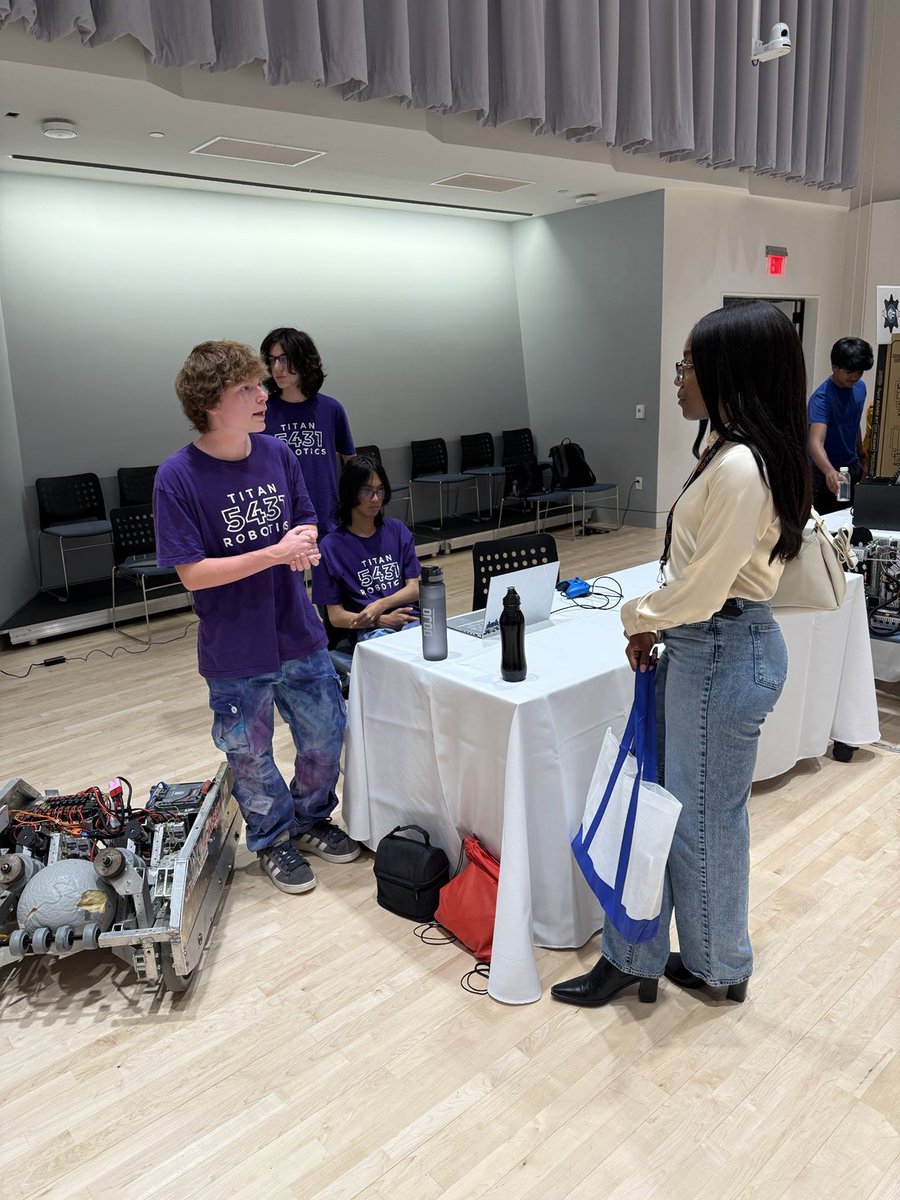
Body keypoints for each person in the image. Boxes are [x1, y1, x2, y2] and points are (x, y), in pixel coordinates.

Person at [552, 300, 810, 1009]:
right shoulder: (739, 456)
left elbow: (700, 592)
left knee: (696, 825)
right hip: (712, 649)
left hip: (720, 649)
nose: (678, 378)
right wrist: (657, 625)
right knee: (683, 817)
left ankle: (712, 962)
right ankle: (685, 957)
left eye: (689, 364)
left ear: (730, 373)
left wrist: (639, 617)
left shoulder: (739, 469)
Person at [153, 340, 358, 896]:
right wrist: (274, 552)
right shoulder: (177, 477)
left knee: (325, 734)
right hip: (235, 647)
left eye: (259, 383)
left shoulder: (277, 454)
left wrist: (305, 543)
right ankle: (272, 839)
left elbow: (307, 519)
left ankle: (313, 819)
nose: (262, 392)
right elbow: (193, 573)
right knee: (249, 754)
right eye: (246, 388)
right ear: (211, 403)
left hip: (297, 630)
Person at [312, 455, 420, 684]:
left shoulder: (397, 530)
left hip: (411, 622)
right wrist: (379, 620)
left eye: (380, 490)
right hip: (370, 633)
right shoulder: (330, 547)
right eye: (367, 491)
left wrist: (381, 604)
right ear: (350, 493)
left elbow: (415, 588)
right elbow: (336, 617)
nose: (375, 499)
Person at [260, 327, 355, 535]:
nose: (277, 367)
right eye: (272, 359)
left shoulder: (331, 409)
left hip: (327, 518)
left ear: (303, 360)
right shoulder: (261, 412)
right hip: (280, 522)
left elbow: (352, 463)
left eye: (285, 359)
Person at [808, 336, 874, 515]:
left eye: (859, 372)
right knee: (826, 524)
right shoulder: (821, 399)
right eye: (849, 372)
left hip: (848, 468)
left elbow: (853, 423)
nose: (854, 377)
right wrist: (829, 471)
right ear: (834, 367)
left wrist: (861, 457)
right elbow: (815, 442)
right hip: (825, 471)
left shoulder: (860, 388)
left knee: (846, 518)